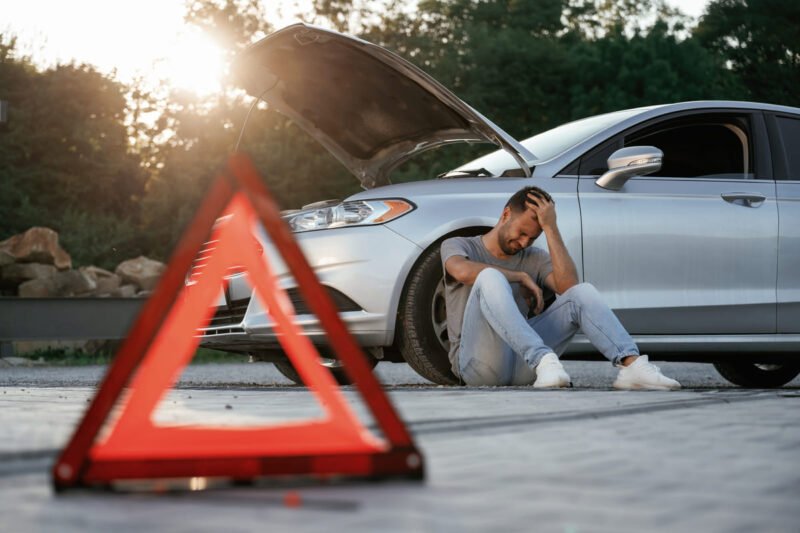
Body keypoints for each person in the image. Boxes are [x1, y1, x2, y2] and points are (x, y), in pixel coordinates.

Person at [441, 186, 680, 389]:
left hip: (527, 366)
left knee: (582, 292)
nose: (524, 242)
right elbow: (462, 272)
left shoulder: (533, 256)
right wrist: (520, 277)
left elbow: (569, 288)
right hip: (478, 365)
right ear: (505, 215)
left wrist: (551, 228)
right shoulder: (460, 245)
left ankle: (631, 366)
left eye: (533, 237)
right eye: (522, 232)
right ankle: (543, 360)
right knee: (490, 277)